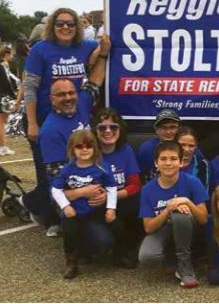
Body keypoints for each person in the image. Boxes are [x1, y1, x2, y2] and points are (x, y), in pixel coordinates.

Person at [21, 7, 110, 236]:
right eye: (60, 23)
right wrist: (32, 122)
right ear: (52, 26)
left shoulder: (85, 46)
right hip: (42, 118)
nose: (65, 27)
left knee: (73, 167)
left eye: (70, 23)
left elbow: (102, 53)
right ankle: (50, 217)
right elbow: (29, 87)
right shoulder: (41, 50)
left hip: (72, 113)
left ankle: (58, 208)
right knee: (48, 174)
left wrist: (104, 42)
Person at [138, 141, 209, 288]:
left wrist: (187, 202)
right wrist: (168, 210)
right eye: (163, 159)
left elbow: (203, 219)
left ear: (181, 162)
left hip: (191, 230)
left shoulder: (192, 182)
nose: (168, 163)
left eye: (173, 159)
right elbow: (148, 227)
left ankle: (185, 266)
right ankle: (172, 258)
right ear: (156, 163)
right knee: (147, 257)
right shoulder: (147, 189)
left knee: (180, 214)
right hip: (164, 230)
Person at [50, 130, 117, 279]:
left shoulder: (101, 167)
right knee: (70, 232)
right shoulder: (68, 169)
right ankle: (71, 263)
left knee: (104, 241)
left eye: (88, 146)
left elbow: (112, 187)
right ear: (72, 149)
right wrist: (65, 206)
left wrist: (111, 208)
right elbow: (56, 189)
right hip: (72, 212)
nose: (84, 150)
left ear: (95, 148)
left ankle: (88, 250)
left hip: (94, 213)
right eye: (79, 146)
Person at [89, 107, 142, 268]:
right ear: (95, 130)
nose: (108, 131)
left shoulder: (125, 150)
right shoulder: (87, 152)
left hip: (116, 202)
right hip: (95, 208)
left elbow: (135, 184)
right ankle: (83, 247)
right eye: (102, 127)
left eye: (113, 127)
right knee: (102, 243)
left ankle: (124, 251)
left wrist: (111, 197)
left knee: (139, 204)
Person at [137, 109, 181, 182]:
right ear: (156, 130)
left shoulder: (185, 146)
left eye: (172, 127)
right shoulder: (146, 149)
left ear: (178, 128)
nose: (168, 131)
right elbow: (140, 178)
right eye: (163, 127)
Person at [177, 125, 211, 194]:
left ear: (196, 146)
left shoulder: (203, 165)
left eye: (191, 146)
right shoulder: (167, 163)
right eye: (183, 145)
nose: (186, 149)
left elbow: (203, 193)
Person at [0, 47, 20, 155]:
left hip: (2, 95)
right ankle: (2, 147)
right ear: (6, 54)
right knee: (1, 122)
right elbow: (7, 82)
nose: (12, 56)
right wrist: (13, 95)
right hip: (3, 96)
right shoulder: (3, 65)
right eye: (11, 54)